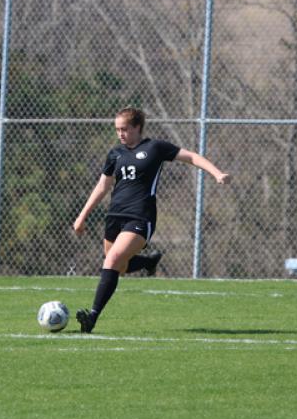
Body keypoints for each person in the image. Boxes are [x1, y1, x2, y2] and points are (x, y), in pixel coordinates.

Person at [73, 107, 231, 333]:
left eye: (125, 129)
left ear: (137, 127)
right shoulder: (115, 154)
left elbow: (191, 157)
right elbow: (103, 186)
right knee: (117, 264)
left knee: (113, 259)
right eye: (117, 129)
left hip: (140, 216)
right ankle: (147, 262)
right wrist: (82, 216)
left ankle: (92, 317)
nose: (120, 133)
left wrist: (216, 173)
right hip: (114, 217)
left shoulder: (154, 148)